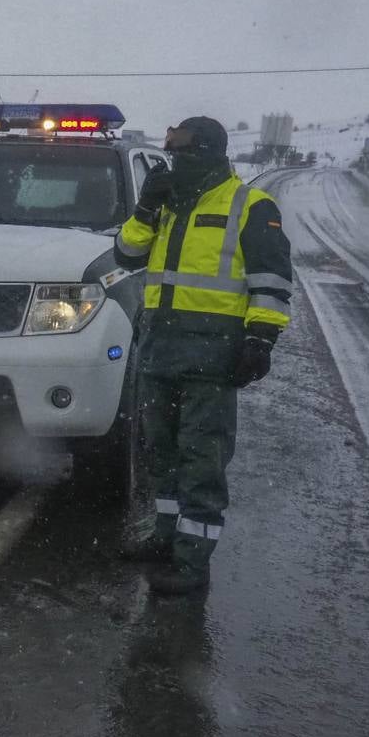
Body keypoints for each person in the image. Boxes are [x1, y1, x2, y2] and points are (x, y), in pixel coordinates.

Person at [113, 117, 293, 595]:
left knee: (202, 460)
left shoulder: (251, 205)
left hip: (212, 358)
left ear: (211, 152)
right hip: (159, 351)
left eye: (183, 151)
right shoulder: (167, 201)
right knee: (162, 454)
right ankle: (166, 536)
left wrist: (260, 340)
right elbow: (127, 255)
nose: (174, 159)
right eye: (170, 150)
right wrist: (147, 207)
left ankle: (192, 563)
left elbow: (272, 282)